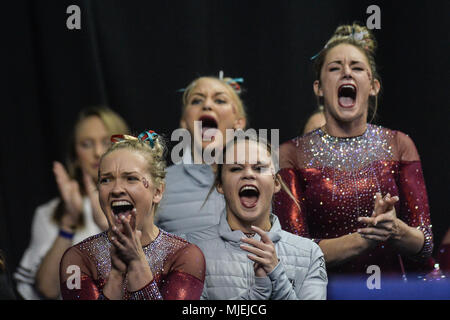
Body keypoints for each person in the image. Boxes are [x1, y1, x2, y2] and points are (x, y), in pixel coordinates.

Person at [274, 23, 433, 278]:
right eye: (335, 68)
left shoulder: (399, 144)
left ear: (373, 86)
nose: (346, 73)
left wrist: (394, 229)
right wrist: (366, 238)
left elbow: (424, 244)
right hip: (324, 293)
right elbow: (294, 254)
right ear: (319, 88)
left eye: (357, 68)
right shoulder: (291, 154)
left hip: (390, 291)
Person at [59, 131, 205, 300]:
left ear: (157, 191)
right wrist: (115, 277)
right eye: (106, 180)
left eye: (131, 178)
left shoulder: (186, 256)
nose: (116, 189)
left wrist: (137, 263)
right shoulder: (77, 259)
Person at [186, 135, 327, 300]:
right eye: (236, 168)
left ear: (276, 184)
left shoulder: (309, 254)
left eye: (259, 168)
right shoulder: (191, 250)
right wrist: (259, 292)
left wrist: (277, 275)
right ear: (220, 185)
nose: (248, 174)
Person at [14, 107, 129, 299]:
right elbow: (47, 290)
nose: (98, 152)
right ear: (75, 156)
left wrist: (108, 226)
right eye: (86, 144)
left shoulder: (146, 202)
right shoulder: (50, 213)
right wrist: (68, 223)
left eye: (106, 142)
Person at [155, 75, 247, 235]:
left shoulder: (263, 178)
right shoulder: (159, 184)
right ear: (184, 122)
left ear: (238, 122)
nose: (207, 105)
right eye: (197, 100)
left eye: (220, 100)